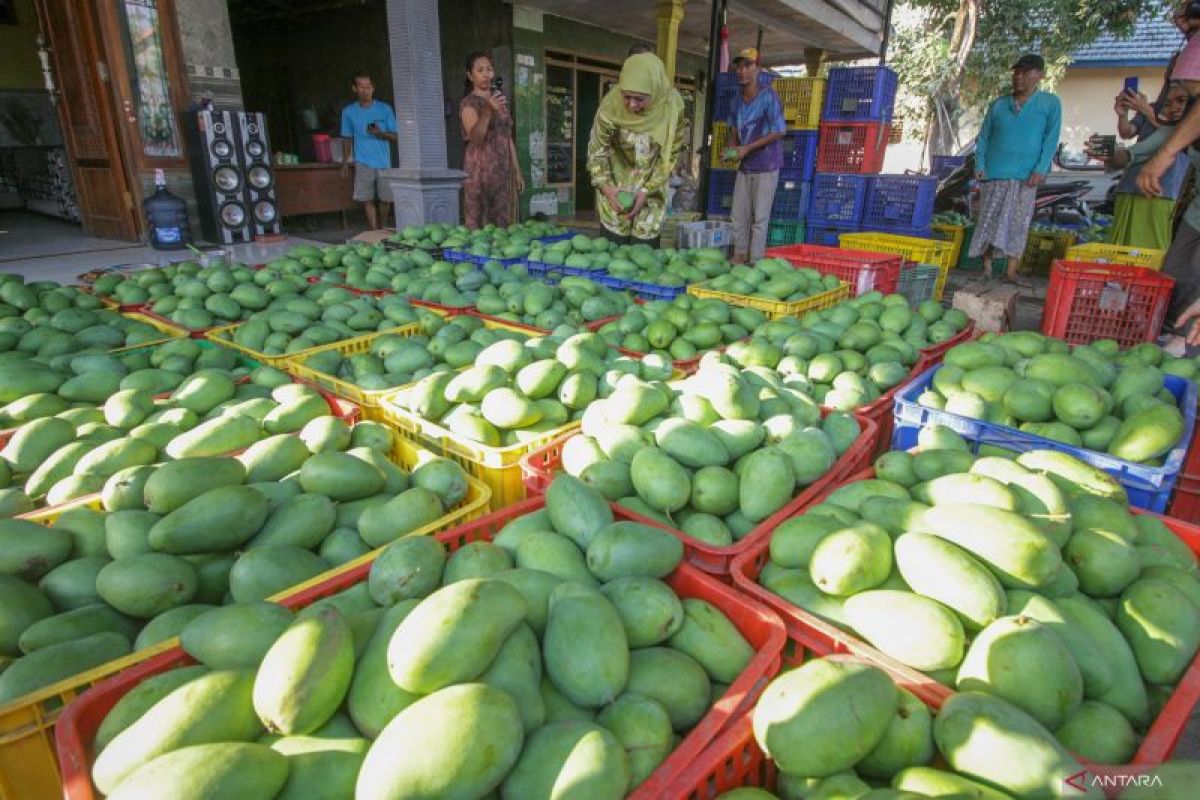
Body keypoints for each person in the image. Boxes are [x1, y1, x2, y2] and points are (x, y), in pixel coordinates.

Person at [967, 54, 1061, 286]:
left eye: (1026, 73)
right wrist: (980, 165)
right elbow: (985, 138)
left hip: (1026, 177)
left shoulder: (1050, 103)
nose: (1019, 77)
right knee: (988, 220)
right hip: (994, 174)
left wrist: (1041, 168)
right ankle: (987, 268)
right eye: (1017, 72)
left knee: (1018, 223)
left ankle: (1011, 272)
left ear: (1039, 75)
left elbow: (1051, 139)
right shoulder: (998, 105)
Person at [586, 52, 686, 246]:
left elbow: (669, 156)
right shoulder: (611, 106)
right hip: (615, 191)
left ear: (655, 91)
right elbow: (596, 153)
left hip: (651, 192)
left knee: (644, 261)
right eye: (627, 96)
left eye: (640, 99)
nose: (631, 105)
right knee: (612, 259)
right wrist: (607, 188)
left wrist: (646, 190)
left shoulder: (672, 107)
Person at [1088, 82, 1191, 251]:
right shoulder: (1152, 109)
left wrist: (1145, 110)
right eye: (1169, 102)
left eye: (1181, 100)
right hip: (1130, 185)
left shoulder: (1189, 119)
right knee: (1120, 249)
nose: (1174, 108)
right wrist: (1122, 115)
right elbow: (1128, 136)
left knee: (1152, 251)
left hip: (1161, 191)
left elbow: (1179, 133)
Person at [725, 48, 787, 264]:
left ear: (758, 69)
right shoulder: (735, 102)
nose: (742, 71)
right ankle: (740, 255)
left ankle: (756, 261)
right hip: (745, 166)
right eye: (739, 66)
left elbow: (779, 130)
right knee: (738, 215)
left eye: (747, 66)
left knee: (759, 219)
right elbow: (733, 131)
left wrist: (747, 149)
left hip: (767, 165)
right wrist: (732, 149)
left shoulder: (769, 96)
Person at [460, 52, 523, 229]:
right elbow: (476, 139)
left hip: (502, 175)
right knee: (479, 227)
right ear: (470, 76)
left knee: (501, 227)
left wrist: (517, 171)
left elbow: (507, 137)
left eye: (489, 69)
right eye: (480, 70)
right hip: (479, 176)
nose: (486, 73)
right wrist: (487, 111)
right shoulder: (468, 104)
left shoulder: (500, 103)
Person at [340, 72, 398, 230]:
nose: (366, 90)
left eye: (368, 86)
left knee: (386, 199)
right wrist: (345, 162)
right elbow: (347, 138)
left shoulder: (385, 109)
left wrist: (380, 133)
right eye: (361, 87)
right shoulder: (348, 112)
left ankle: (383, 227)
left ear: (373, 88)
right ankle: (374, 231)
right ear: (354, 89)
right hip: (363, 161)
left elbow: (397, 137)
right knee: (367, 199)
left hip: (384, 161)